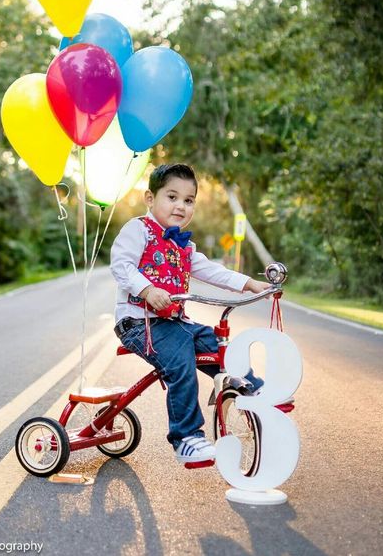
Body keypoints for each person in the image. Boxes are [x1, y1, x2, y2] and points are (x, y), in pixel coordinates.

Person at [110, 164, 271, 465]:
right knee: (180, 360)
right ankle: (186, 438)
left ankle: (254, 389)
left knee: (218, 345)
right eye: (172, 197)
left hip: (174, 323)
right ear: (150, 198)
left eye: (188, 200)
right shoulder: (137, 230)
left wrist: (249, 284)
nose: (181, 206)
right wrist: (147, 291)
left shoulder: (183, 245)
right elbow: (121, 266)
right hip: (138, 322)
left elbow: (211, 270)